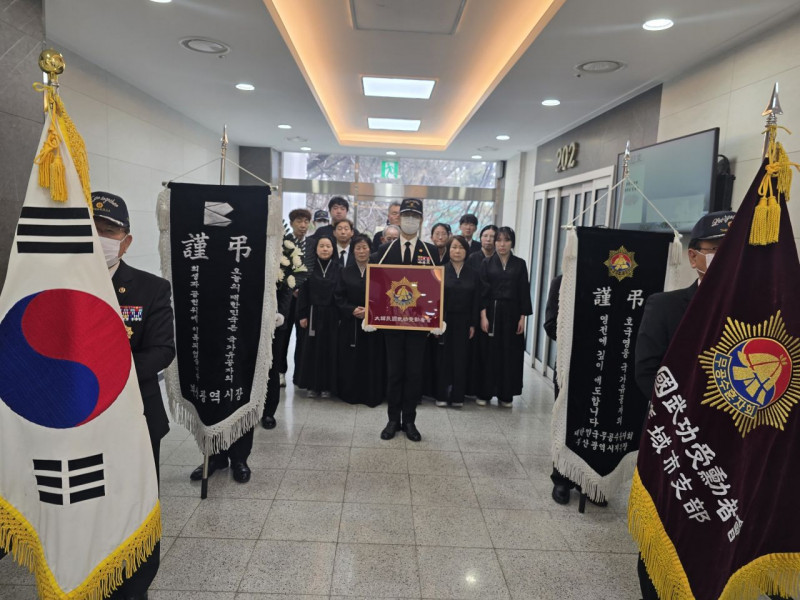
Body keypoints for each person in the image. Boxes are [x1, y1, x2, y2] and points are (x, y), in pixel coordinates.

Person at [634, 210, 736, 600]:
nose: (728, 258)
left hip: (734, 449)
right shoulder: (666, 306)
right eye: (717, 249)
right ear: (694, 256)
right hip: (680, 442)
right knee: (669, 530)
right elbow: (647, 373)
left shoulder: (765, 314)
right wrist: (691, 420)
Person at [92, 191, 175, 600]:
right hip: (73, 422)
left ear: (125, 241)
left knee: (135, 504)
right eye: (89, 228)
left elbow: (162, 350)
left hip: (134, 418)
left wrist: (103, 378)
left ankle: (134, 583)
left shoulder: (150, 288)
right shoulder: (54, 288)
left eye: (108, 231)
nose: (97, 237)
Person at [371, 198, 439, 442]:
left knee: (414, 373)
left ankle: (409, 421)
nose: (410, 220)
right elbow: (376, 285)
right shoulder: (385, 250)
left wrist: (437, 317)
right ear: (398, 218)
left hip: (419, 326)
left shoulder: (430, 251)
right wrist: (372, 312)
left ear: (421, 220)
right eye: (406, 215)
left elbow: (436, 287)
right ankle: (392, 420)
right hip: (392, 323)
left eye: (415, 216)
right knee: (394, 373)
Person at [477, 226, 532, 407]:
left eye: (506, 240)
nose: (502, 244)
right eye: (499, 240)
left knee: (510, 353)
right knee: (488, 353)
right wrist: (483, 316)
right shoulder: (486, 263)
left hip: (512, 313)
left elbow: (524, 291)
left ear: (512, 243)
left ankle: (506, 394)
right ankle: (485, 392)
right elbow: (482, 291)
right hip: (491, 312)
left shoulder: (520, 264)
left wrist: (522, 318)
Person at [335, 234, 385, 406]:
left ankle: (372, 395)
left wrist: (370, 311)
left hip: (374, 323)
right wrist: (351, 309)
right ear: (353, 250)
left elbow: (385, 296)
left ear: (370, 250)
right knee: (351, 359)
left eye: (365, 248)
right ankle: (351, 394)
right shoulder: (345, 272)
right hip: (351, 323)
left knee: (372, 359)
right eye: (358, 248)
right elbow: (339, 296)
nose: (362, 251)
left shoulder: (379, 271)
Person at [434, 236, 480, 408]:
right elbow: (433, 299)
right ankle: (441, 395)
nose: (457, 251)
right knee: (443, 358)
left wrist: (473, 323)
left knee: (461, 358)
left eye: (461, 247)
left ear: (466, 251)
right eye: (454, 247)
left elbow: (476, 300)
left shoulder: (474, 273)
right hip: (444, 320)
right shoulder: (439, 271)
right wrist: (435, 322)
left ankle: (458, 396)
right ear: (448, 250)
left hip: (464, 321)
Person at [297, 236, 341, 398]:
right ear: (316, 249)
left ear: (333, 249)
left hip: (332, 315)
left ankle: (327, 386)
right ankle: (312, 385)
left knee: (330, 350)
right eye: (321, 246)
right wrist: (302, 315)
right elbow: (303, 293)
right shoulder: (308, 267)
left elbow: (341, 294)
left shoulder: (339, 268)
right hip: (313, 313)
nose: (325, 249)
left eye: (328, 246)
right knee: (312, 350)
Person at [274, 208, 312, 388]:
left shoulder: (312, 244)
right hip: (287, 298)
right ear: (291, 223)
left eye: (306, 222)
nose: (303, 225)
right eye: (299, 221)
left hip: (306, 299)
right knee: (284, 334)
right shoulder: (283, 243)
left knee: (303, 337)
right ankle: (280, 371)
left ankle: (300, 374)